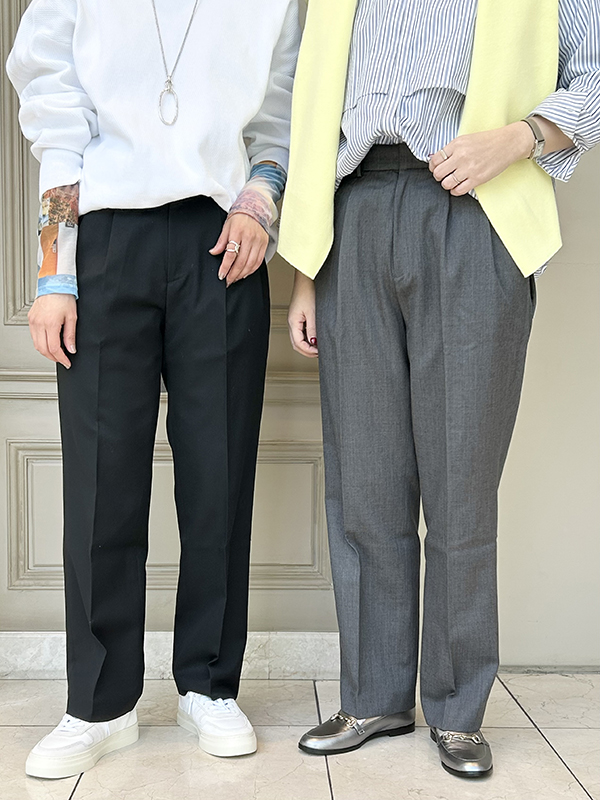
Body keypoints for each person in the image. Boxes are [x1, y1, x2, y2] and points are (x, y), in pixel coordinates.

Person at [280, 0, 600, 779]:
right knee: (364, 483)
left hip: (473, 212)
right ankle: (374, 696)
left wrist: (518, 138)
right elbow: (310, 110)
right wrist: (305, 273)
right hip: (352, 214)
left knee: (461, 487)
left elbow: (593, 75)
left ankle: (457, 710)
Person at [7, 0, 300, 779]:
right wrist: (54, 269)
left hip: (223, 243)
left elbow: (281, 119)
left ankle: (209, 685)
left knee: (219, 478)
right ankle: (99, 704)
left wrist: (260, 205)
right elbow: (56, 113)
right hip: (106, 242)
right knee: (100, 483)